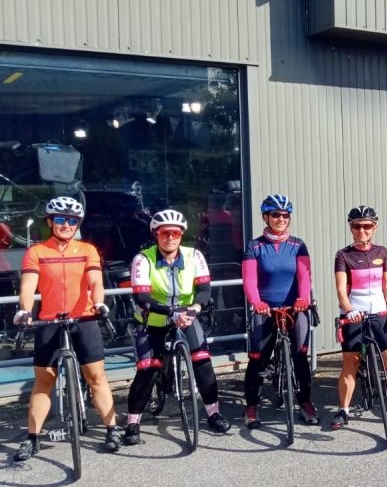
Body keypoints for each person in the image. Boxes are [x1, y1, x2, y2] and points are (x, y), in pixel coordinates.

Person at [13, 197, 121, 461]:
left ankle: (112, 430)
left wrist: (99, 303)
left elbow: (95, 281)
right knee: (44, 381)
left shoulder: (87, 249)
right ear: (50, 222)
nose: (66, 225)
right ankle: (32, 438)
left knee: (96, 377)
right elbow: (28, 286)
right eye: (60, 219)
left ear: (77, 224)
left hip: (84, 319)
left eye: (72, 221)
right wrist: (25, 310)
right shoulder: (37, 252)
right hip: (49, 320)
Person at [123, 209, 232, 445]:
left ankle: (214, 413)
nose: (170, 237)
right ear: (156, 234)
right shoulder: (143, 259)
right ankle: (132, 423)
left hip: (187, 316)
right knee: (148, 369)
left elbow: (204, 290)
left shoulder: (194, 256)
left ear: (182, 234)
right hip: (153, 319)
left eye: (175, 233)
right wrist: (170, 312)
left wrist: (194, 309)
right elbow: (142, 298)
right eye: (165, 233)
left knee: (202, 361)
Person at [333, 206, 387, 428]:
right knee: (350, 364)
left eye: (367, 226)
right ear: (351, 228)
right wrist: (349, 309)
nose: (362, 230)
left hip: (380, 314)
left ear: (374, 228)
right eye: (357, 226)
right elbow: (341, 289)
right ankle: (343, 411)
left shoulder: (381, 252)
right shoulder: (343, 255)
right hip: (354, 315)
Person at [241, 194, 318, 429]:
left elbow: (304, 277)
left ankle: (305, 402)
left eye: (285, 215)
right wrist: (256, 302)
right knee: (258, 358)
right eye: (275, 214)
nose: (281, 219)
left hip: (295, 308)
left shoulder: (298, 245)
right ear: (266, 217)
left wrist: (303, 299)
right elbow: (249, 279)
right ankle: (251, 407)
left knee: (300, 356)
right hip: (265, 309)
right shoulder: (255, 246)